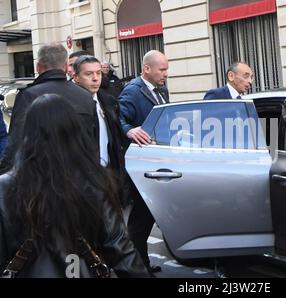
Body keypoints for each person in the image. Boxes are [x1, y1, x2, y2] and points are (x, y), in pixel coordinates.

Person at [0, 94, 149, 277]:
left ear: (27, 134)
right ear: (75, 132)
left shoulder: (4, 187)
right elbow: (122, 252)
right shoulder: (94, 182)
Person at [0, 43, 98, 175]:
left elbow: (16, 142)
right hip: (81, 175)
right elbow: (94, 140)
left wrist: (5, 174)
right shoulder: (85, 96)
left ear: (38, 66)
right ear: (65, 66)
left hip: (42, 178)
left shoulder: (29, 95)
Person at [119, 50, 169, 274]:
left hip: (157, 161)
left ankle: (141, 264)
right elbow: (118, 118)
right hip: (141, 165)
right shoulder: (132, 91)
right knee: (141, 217)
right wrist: (129, 130)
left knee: (147, 216)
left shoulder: (161, 89)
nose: (166, 74)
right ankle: (135, 266)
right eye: (162, 69)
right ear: (147, 69)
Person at [72, 55, 127, 205]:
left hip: (110, 177)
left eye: (98, 73)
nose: (95, 78)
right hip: (84, 182)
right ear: (75, 77)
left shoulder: (108, 101)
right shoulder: (69, 106)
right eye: (88, 74)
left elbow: (114, 140)